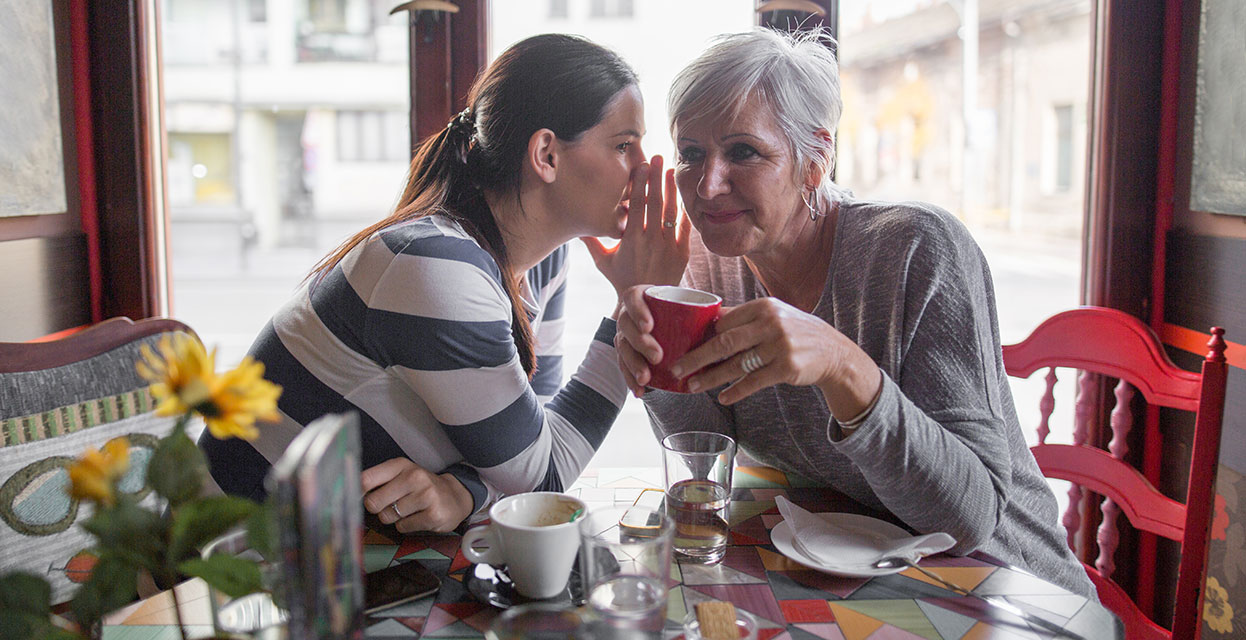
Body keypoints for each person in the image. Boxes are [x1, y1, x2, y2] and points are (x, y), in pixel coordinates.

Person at [614, 28, 1096, 599]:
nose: (708, 184)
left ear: (815, 160)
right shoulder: (706, 258)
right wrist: (657, 351)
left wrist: (845, 369)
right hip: (852, 577)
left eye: (743, 150)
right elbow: (705, 456)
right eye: (692, 154)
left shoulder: (917, 248)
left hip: (1003, 590)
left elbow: (968, 520)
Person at [201, 34, 689, 532]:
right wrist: (628, 308)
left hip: (338, 550)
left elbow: (530, 431)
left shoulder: (542, 260)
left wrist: (466, 490)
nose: (646, 167)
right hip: (226, 571)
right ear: (546, 154)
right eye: (624, 145)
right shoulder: (439, 267)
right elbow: (543, 477)